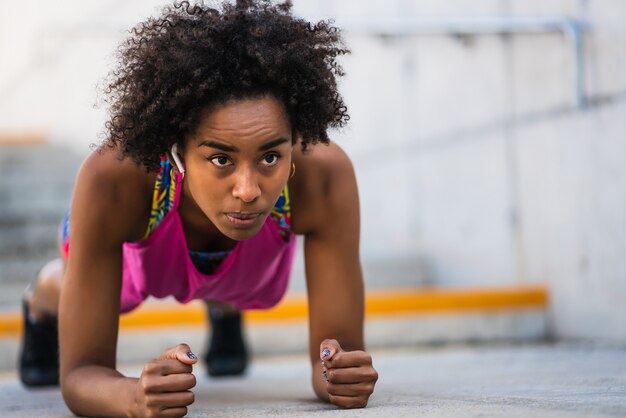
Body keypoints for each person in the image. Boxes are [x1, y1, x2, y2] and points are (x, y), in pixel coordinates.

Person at [19, 0, 378, 416]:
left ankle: (223, 309)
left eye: (270, 157)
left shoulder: (323, 175)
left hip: (249, 267)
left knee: (236, 261)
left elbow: (331, 359)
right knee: (64, 284)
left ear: (293, 138)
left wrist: (339, 375)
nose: (247, 189)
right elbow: (82, 373)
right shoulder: (116, 179)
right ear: (177, 151)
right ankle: (37, 304)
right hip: (148, 253)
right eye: (221, 159)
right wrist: (133, 397)